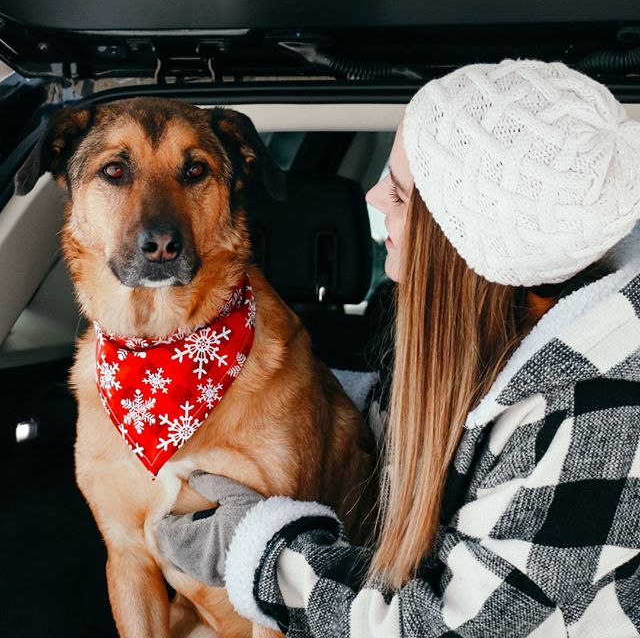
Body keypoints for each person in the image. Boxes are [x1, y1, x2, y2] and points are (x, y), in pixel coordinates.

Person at [157, 59, 640, 636]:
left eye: (403, 194)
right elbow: (408, 435)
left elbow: (442, 630)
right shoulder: (513, 348)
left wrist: (260, 551)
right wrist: (297, 399)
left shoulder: (605, 415)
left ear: (460, 242)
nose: (373, 194)